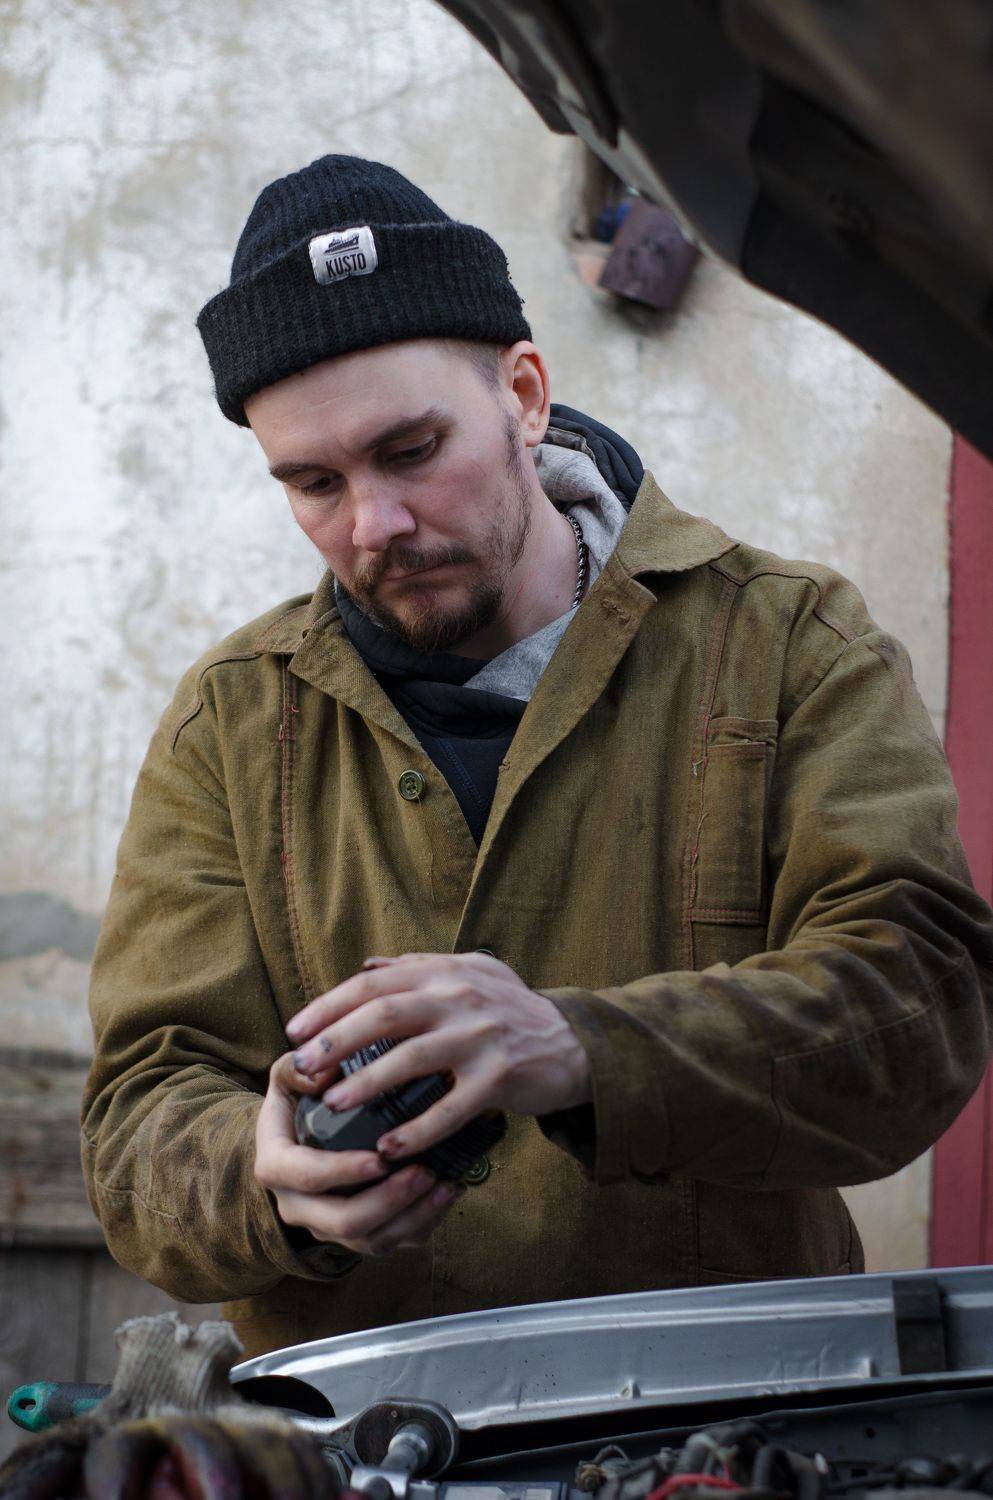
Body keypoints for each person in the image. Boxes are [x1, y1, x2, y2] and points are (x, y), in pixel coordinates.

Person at [82, 155, 993, 1360]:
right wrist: (265, 1176)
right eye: (313, 483)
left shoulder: (789, 645)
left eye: (412, 450)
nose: (374, 525)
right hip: (350, 1433)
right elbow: (141, 1115)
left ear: (523, 394)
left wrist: (579, 1050)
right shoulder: (231, 721)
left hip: (720, 1412)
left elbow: (919, 1006)